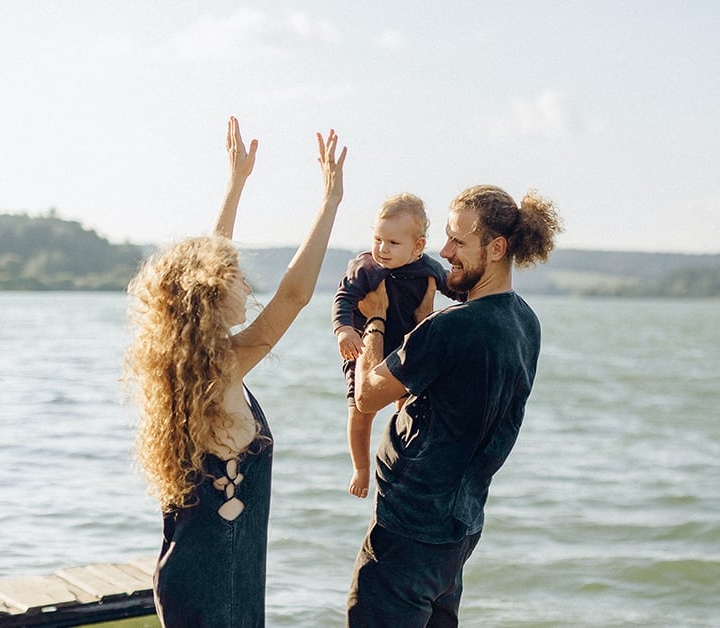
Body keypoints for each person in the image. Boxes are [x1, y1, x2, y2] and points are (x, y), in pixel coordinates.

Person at [125, 116, 346, 627]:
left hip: (193, 577)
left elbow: (206, 264)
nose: (247, 286)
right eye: (236, 279)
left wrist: (236, 183)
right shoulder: (219, 367)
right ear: (208, 296)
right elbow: (294, 295)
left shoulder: (183, 367)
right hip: (215, 589)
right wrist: (330, 202)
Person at [346, 184, 563, 626]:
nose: (445, 252)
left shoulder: (451, 328)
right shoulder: (524, 321)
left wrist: (375, 317)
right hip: (458, 528)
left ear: (496, 248)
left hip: (408, 530)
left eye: (459, 242)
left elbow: (367, 395)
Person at [332, 193, 462, 499]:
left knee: (408, 406)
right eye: (378, 238)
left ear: (417, 246)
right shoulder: (366, 268)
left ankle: (403, 457)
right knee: (359, 411)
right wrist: (344, 330)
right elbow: (344, 298)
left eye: (393, 243)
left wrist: (473, 300)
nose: (382, 249)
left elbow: (454, 290)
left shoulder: (428, 269)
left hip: (403, 351)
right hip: (364, 350)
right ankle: (361, 468)